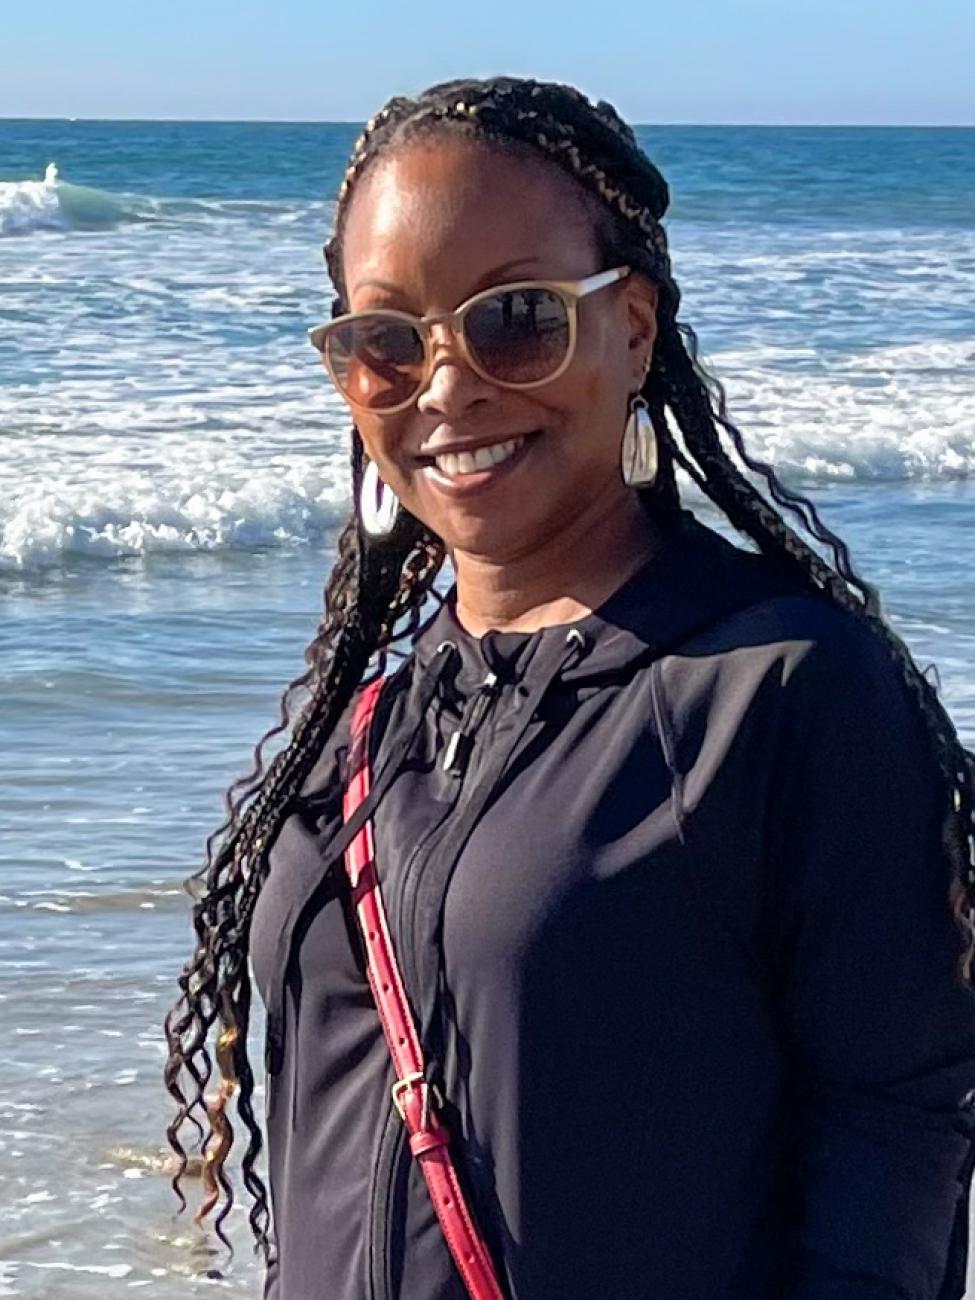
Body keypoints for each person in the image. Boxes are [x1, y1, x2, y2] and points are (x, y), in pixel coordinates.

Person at [164, 77, 975, 1300]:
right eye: (385, 342)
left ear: (634, 327)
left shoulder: (775, 689)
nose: (444, 387)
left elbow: (898, 1135)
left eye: (515, 320)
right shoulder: (374, 718)